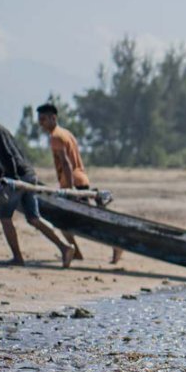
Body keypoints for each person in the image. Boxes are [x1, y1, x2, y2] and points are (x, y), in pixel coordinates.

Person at [0, 104, 75, 268]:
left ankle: (18, 258)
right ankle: (65, 247)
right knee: (34, 218)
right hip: (28, 175)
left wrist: (11, 181)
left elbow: (8, 156)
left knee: (4, 217)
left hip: (17, 178)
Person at [36, 102, 122, 264]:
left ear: (53, 118)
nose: (41, 124)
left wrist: (69, 190)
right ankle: (78, 251)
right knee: (78, 221)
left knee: (67, 221)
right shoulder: (66, 133)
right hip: (80, 179)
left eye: (43, 119)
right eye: (40, 120)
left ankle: (113, 244)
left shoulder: (56, 137)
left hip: (73, 183)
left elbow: (66, 163)